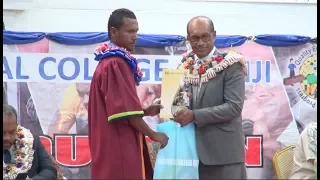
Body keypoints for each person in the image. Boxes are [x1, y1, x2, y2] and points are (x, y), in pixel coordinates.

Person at [88, 8, 169, 179]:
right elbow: (125, 114)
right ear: (114, 32)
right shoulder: (115, 63)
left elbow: (118, 108)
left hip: (111, 142)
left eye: (136, 31)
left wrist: (145, 111)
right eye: (130, 31)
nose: (135, 36)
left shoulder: (109, 62)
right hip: (118, 144)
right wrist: (153, 134)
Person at [174, 16, 247, 179]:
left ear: (214, 35)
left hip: (225, 155)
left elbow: (234, 107)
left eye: (205, 36)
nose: (200, 43)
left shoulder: (231, 64)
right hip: (192, 155)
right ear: (188, 39)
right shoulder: (184, 66)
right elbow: (178, 102)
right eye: (195, 38)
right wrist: (167, 106)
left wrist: (194, 115)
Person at [3, 104, 57, 180]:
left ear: (17, 127)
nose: (7, 137)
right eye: (3, 132)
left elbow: (50, 170)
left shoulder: (30, 140)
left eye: (12, 132)